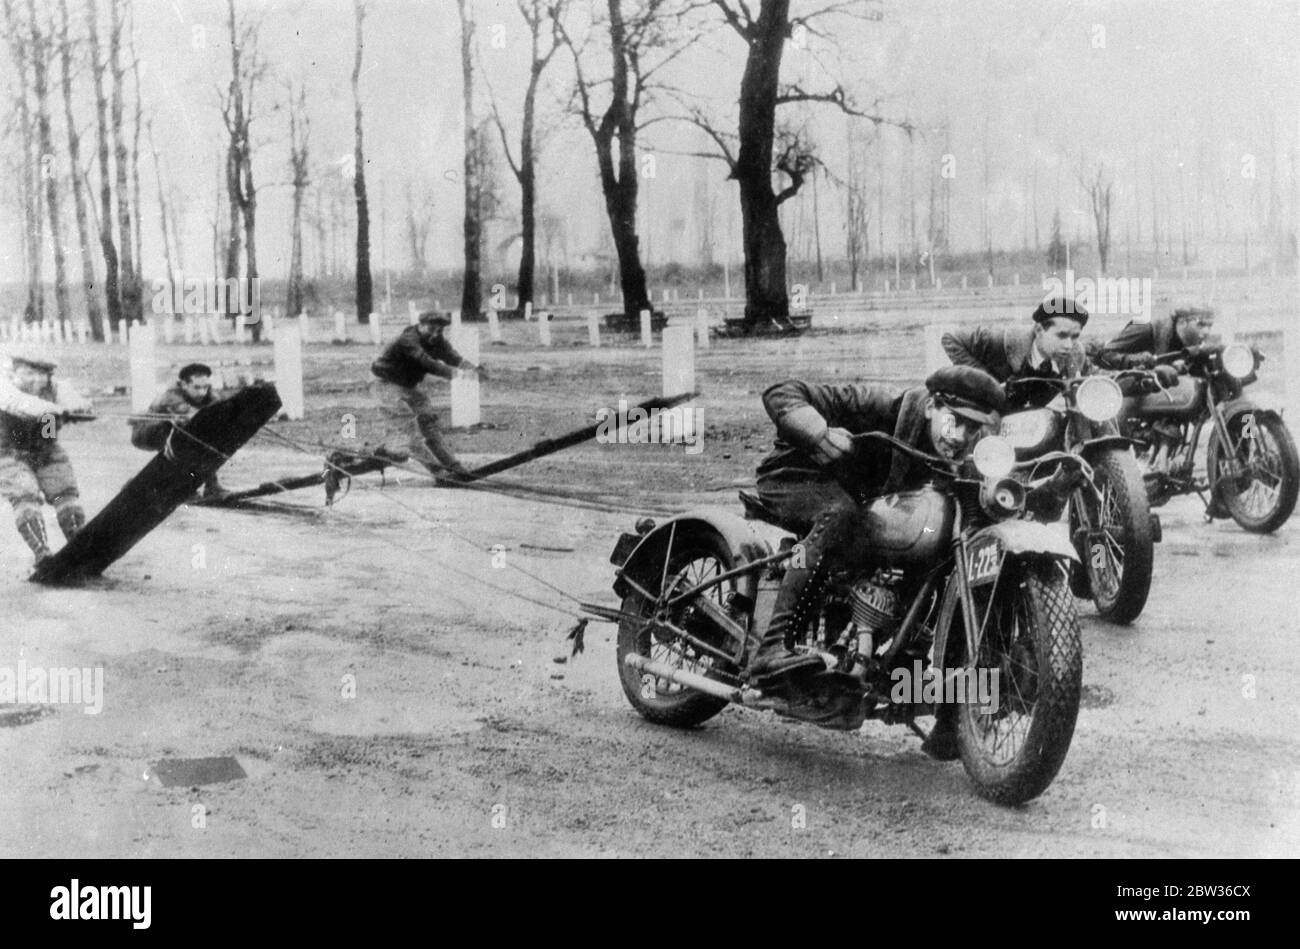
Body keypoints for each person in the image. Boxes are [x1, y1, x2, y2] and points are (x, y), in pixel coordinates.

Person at [753, 365, 1006, 758]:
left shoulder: (963, 448)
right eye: (954, 422)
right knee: (839, 516)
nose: (959, 438)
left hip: (857, 500)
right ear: (932, 407)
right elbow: (780, 390)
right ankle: (772, 648)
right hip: (797, 476)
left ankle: (949, 713)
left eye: (971, 430)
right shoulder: (881, 407)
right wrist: (818, 432)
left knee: (939, 555)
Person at [0, 350, 94, 565]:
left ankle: (78, 545)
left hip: (46, 448)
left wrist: (81, 410)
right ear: (14, 371)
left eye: (42, 374)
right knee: (25, 497)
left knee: (64, 493)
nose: (37, 379)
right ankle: (42, 553)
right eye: (29, 372)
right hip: (9, 453)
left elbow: (76, 402)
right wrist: (58, 410)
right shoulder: (4, 386)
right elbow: (21, 405)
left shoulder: (55, 387)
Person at [370, 312, 487, 479]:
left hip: (408, 387)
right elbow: (427, 363)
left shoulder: (437, 341)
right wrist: (461, 375)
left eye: (439, 330)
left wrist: (473, 369)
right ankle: (438, 472)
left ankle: (453, 466)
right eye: (431, 329)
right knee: (409, 431)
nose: (435, 334)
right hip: (385, 384)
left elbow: (454, 358)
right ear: (420, 325)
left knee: (429, 425)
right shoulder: (408, 340)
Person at [129, 363, 226, 498]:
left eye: (205, 387)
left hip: (174, 431)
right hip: (146, 433)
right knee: (184, 444)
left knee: (209, 440)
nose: (202, 392)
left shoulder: (210, 396)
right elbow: (193, 415)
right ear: (183, 384)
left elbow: (220, 410)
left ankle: (212, 486)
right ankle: (185, 488)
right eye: (196, 387)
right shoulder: (171, 396)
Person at [941, 297, 1092, 383]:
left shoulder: (1076, 354)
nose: (1068, 345)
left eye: (1074, 337)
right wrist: (985, 382)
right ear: (1039, 330)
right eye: (1061, 335)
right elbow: (951, 338)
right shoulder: (998, 340)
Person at [1095, 305, 1215, 373]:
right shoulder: (1146, 328)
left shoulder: (1195, 341)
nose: (1206, 332)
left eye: (1210, 326)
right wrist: (1139, 360)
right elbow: (1103, 356)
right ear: (1183, 322)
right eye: (1201, 325)